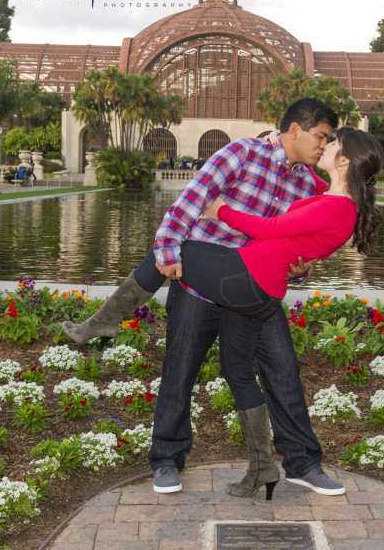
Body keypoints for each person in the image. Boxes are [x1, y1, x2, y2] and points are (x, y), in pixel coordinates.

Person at [63, 98, 349, 497]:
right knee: (180, 369)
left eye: (329, 139)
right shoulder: (242, 153)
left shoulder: (306, 183)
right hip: (202, 283)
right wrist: (166, 250)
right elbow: (191, 200)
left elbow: (298, 242)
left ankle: (302, 463)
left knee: (284, 371)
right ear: (295, 129)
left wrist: (302, 268)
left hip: (254, 291)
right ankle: (166, 459)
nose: (324, 144)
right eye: (321, 136)